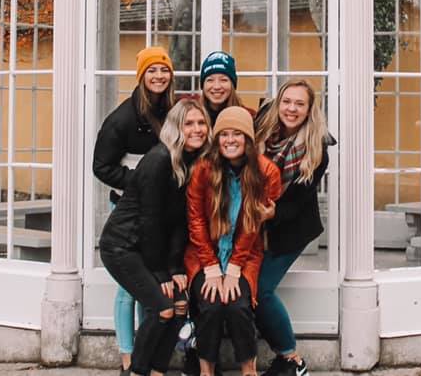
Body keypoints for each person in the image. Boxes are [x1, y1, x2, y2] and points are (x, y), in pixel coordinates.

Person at [100, 98, 213, 376]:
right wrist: (162, 273)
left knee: (179, 306)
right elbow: (150, 221)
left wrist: (175, 268)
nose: (197, 129)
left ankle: (158, 371)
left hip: (148, 248)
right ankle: (136, 371)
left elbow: (178, 222)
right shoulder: (159, 159)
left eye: (201, 123)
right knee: (162, 309)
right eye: (189, 123)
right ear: (176, 128)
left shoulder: (192, 162)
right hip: (122, 247)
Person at [93, 45, 177, 376]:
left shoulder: (173, 110)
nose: (159, 76)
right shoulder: (122, 119)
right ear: (141, 76)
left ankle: (148, 348)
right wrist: (140, 182)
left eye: (164, 70)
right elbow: (101, 166)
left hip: (161, 209)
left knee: (151, 285)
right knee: (129, 286)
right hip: (127, 208)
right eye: (152, 70)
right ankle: (128, 355)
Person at [185, 107, 281, 376]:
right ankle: (206, 371)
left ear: (248, 139)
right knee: (211, 303)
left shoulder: (266, 171)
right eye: (224, 134)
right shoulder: (203, 169)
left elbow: (253, 224)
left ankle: (248, 371)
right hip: (204, 254)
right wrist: (211, 266)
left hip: (245, 254)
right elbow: (196, 221)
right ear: (216, 140)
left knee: (238, 305)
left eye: (237, 134)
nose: (229, 140)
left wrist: (235, 267)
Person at [253, 80, 331, 376]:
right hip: (251, 222)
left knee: (260, 290)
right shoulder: (262, 128)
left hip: (290, 226)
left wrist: (272, 213)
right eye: (287, 101)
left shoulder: (316, 148)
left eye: (300, 104)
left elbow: (298, 200)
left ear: (309, 110)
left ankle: (292, 359)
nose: (291, 109)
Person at [199, 51, 245, 125]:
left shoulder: (246, 116)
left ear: (232, 84)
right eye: (210, 80)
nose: (216, 86)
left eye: (223, 80)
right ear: (203, 85)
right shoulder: (192, 117)